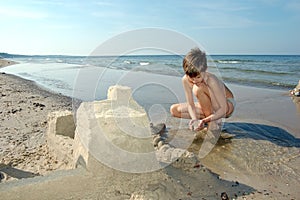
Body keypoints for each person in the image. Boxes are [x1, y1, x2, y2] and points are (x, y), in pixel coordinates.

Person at [170, 47, 235, 131]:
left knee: (198, 88)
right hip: (210, 107)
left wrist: (205, 120)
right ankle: (213, 118)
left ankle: (211, 122)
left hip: (226, 106)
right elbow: (191, 105)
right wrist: (194, 119)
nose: (194, 81)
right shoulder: (185, 79)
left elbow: (223, 109)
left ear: (205, 69)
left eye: (198, 77)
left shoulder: (211, 80)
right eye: (191, 78)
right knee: (174, 110)